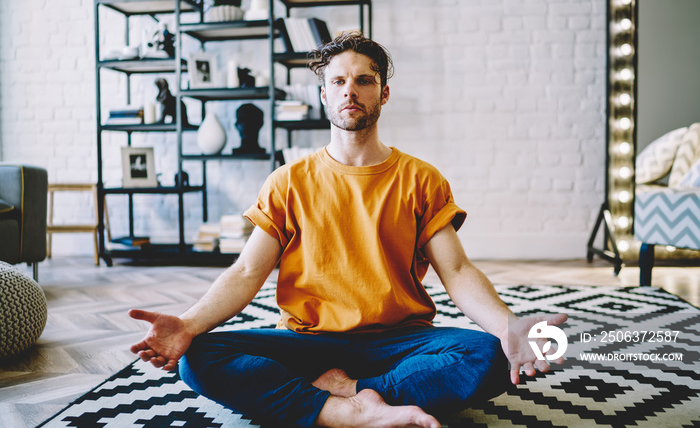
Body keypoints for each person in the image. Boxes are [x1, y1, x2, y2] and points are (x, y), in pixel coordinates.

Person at [129, 31, 567, 428]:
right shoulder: (287, 182)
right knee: (200, 356)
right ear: (323, 94)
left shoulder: (421, 179)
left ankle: (338, 395)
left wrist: (508, 324)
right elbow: (246, 273)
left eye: (363, 80)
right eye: (338, 82)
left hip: (398, 340)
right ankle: (352, 411)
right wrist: (187, 324)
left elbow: (456, 271)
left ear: (384, 92)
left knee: (488, 355)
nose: (350, 91)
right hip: (307, 341)